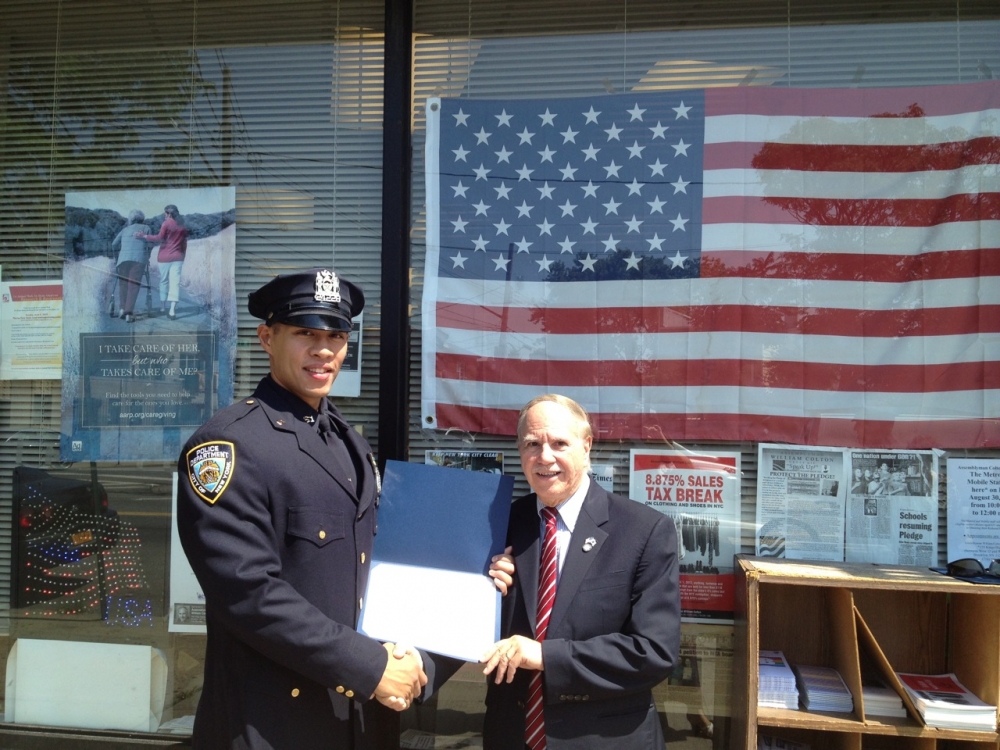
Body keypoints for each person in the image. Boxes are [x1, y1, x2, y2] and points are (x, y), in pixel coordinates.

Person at [176, 268, 512, 750]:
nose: (323, 350)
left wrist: (473, 579)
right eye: (305, 334)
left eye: (335, 335)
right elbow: (248, 593)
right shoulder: (228, 445)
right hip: (273, 720)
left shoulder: (347, 442)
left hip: (357, 718)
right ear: (266, 338)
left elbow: (377, 566)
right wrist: (372, 667)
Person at [479, 394, 680, 750]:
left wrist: (544, 657)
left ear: (586, 446)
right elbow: (478, 625)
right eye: (531, 444)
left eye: (559, 443)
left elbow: (654, 651)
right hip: (511, 734)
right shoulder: (502, 524)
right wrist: (488, 589)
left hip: (604, 739)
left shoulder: (644, 531)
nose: (545, 457)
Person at [136, 203, 187, 319]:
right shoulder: (182, 225)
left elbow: (159, 238)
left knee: (163, 281)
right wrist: (183, 256)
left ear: (169, 213)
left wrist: (144, 236)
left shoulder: (166, 223)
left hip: (164, 258)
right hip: (178, 257)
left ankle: (163, 307)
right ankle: (172, 311)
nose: (164, 215)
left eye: (165, 213)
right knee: (175, 283)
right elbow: (184, 243)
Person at [110, 209, 151, 322]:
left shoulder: (125, 230)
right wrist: (148, 257)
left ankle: (122, 309)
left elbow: (114, 244)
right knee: (133, 286)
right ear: (142, 219)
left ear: (131, 219)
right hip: (138, 260)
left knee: (123, 284)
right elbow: (150, 244)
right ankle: (129, 313)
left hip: (123, 260)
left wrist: (116, 257)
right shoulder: (146, 228)